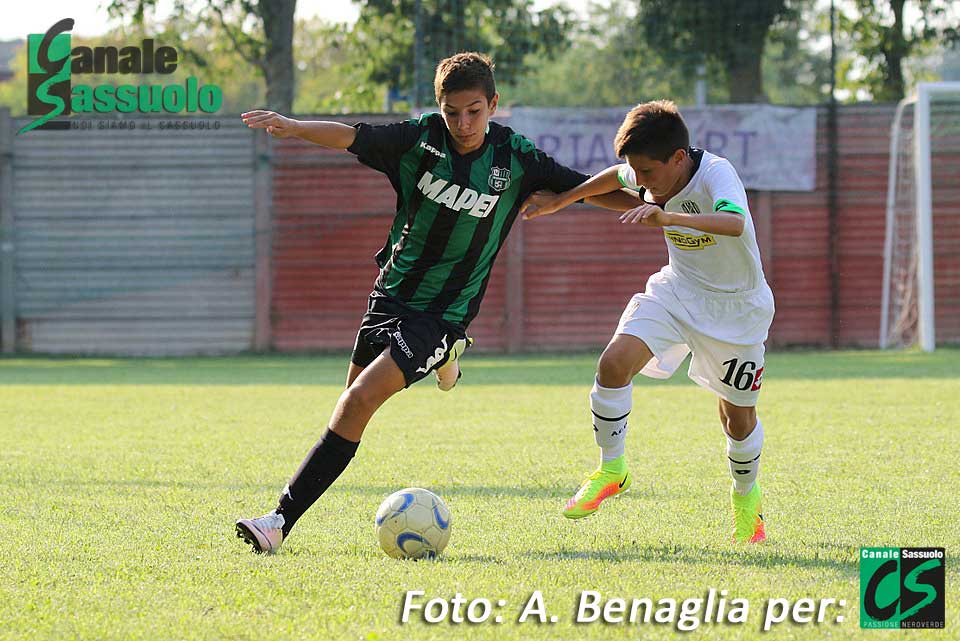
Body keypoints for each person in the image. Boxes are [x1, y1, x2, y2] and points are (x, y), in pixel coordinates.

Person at [235, 52, 640, 553]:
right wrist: (293, 127)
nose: (463, 123)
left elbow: (583, 188)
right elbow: (351, 135)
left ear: (493, 104)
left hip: (443, 314)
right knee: (347, 404)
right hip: (389, 294)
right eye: (452, 111)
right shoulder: (419, 139)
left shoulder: (515, 157)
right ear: (439, 107)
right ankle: (445, 362)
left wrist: (657, 206)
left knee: (357, 402)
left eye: (474, 111)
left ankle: (277, 521)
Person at [521, 100, 775, 543]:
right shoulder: (649, 168)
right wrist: (561, 201)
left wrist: (667, 216)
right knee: (613, 364)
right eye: (635, 171)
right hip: (677, 291)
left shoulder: (716, 173)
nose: (639, 182)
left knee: (738, 418)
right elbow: (610, 180)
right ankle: (612, 470)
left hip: (738, 311)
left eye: (648, 173)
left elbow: (734, 223)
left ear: (678, 158)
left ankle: (745, 498)